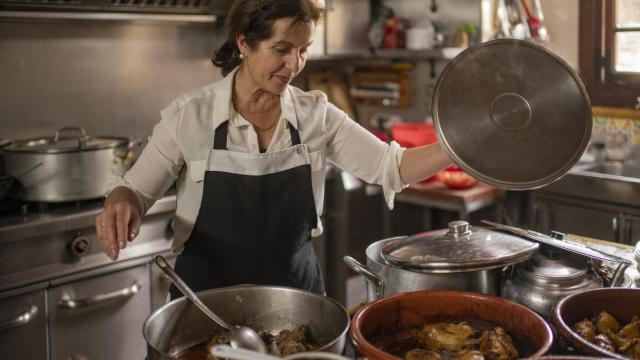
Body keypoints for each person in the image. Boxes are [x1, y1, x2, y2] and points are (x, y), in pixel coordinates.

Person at [95, 0, 451, 298]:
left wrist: (460, 146)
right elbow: (134, 190)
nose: (294, 65)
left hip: (295, 302)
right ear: (244, 44)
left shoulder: (316, 116)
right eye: (281, 50)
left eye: (303, 50)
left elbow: (392, 167)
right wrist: (122, 202)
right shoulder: (189, 116)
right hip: (204, 306)